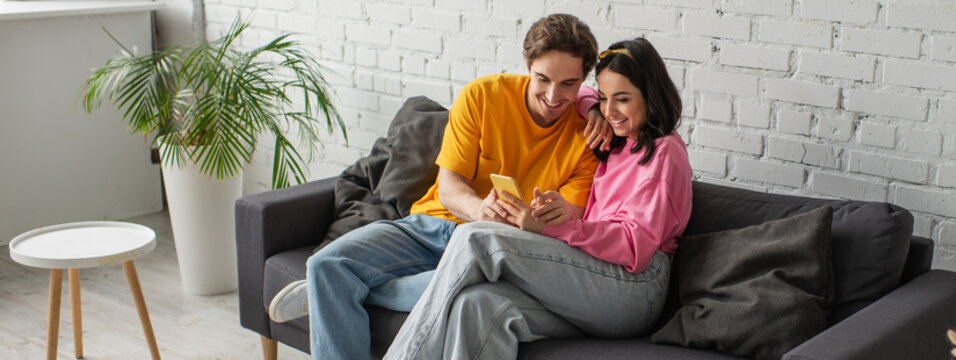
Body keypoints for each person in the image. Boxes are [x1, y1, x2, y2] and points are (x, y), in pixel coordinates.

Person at [264, 14, 612, 360]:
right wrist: (478, 210)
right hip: (432, 227)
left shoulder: (587, 137)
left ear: (583, 80)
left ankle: (341, 289)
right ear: (527, 65)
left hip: (492, 252)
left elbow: (569, 219)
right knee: (324, 265)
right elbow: (449, 187)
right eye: (543, 79)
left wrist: (540, 220)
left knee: (464, 296)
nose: (553, 96)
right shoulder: (484, 96)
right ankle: (334, 285)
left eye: (568, 84)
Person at [384, 37, 691, 360]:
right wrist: (592, 107)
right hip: (597, 276)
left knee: (477, 237)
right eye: (604, 98)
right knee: (477, 306)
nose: (611, 111)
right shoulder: (614, 138)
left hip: (635, 288)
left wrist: (552, 229)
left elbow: (633, 247)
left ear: (650, 95)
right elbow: (580, 95)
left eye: (623, 99)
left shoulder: (664, 151)